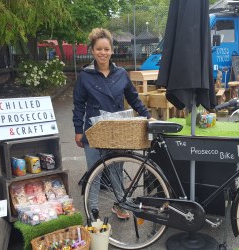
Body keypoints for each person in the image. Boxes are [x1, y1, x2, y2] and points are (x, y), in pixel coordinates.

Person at [73, 28, 151, 220]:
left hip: (117, 130)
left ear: (112, 51)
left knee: (117, 169)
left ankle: (120, 204)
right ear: (92, 50)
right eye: (99, 49)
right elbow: (78, 105)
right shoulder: (85, 75)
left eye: (106, 49)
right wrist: (77, 130)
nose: (103, 53)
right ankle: (92, 210)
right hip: (93, 131)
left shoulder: (121, 74)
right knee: (94, 172)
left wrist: (147, 116)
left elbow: (134, 99)